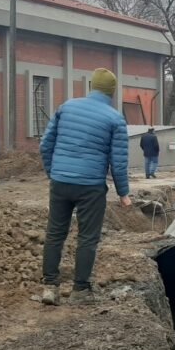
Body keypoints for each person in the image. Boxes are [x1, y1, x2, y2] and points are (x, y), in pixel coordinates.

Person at [39, 67, 131, 306]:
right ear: (111, 91)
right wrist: (123, 193)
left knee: (55, 233)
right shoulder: (115, 118)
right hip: (90, 186)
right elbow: (118, 162)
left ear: (91, 86)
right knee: (87, 238)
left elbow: (45, 144)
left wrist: (53, 172)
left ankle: (50, 287)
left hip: (60, 182)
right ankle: (80, 290)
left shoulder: (66, 107)